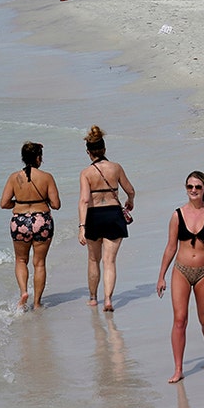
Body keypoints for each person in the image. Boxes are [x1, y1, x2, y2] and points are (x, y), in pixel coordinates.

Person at [156, 171, 204, 383]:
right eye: (190, 187)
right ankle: (178, 369)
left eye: (197, 187)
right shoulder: (177, 215)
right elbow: (170, 247)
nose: (193, 190)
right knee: (179, 320)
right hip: (181, 270)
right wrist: (161, 276)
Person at [78, 125, 136, 312]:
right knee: (109, 261)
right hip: (113, 215)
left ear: (89, 152)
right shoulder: (115, 168)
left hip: (94, 216)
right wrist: (130, 201)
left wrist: (81, 226)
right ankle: (109, 299)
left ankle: (93, 298)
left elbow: (84, 200)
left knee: (93, 260)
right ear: (104, 149)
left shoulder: (86, 173)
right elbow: (130, 190)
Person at [0, 142, 61, 310]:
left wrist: (19, 203)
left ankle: (24, 292)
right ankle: (37, 303)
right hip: (42, 220)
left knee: (21, 260)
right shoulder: (47, 177)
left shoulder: (13, 177)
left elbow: (4, 203)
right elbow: (56, 205)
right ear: (38, 158)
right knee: (39, 263)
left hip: (19, 221)